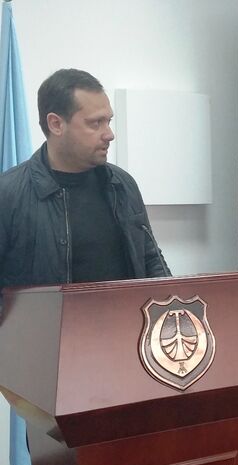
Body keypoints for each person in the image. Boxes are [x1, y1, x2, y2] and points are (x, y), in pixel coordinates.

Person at [0, 68, 170, 295]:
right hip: (47, 321)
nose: (109, 134)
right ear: (56, 124)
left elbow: (149, 258)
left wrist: (170, 303)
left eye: (108, 121)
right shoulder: (8, 194)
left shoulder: (122, 184)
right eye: (95, 123)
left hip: (124, 318)